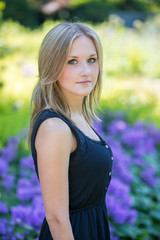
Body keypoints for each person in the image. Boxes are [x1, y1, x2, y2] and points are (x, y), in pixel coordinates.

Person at [28, 22, 113, 240]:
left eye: (91, 60)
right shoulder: (55, 128)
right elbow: (56, 217)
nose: (86, 71)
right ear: (52, 65)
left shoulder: (76, 117)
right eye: (72, 61)